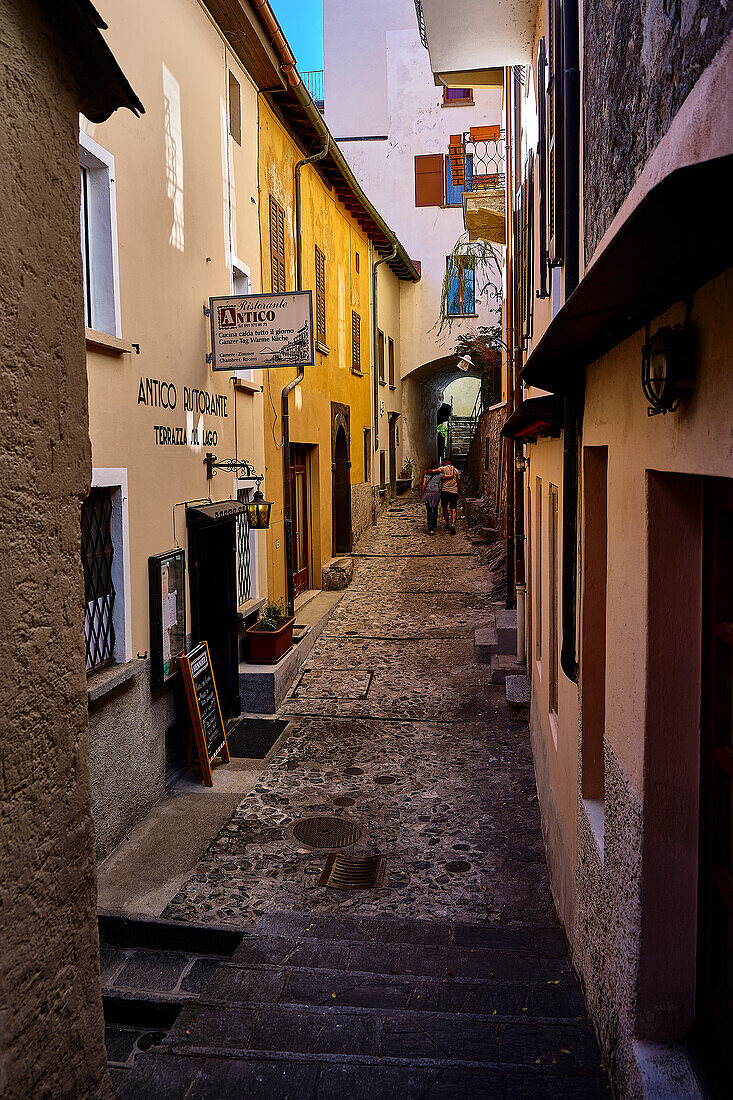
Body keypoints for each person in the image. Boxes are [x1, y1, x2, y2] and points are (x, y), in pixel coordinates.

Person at [425, 460, 460, 534]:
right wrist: (458, 491)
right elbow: (457, 481)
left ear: (444, 463)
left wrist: (427, 472)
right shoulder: (455, 470)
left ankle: (446, 523)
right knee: (453, 509)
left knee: (444, 507)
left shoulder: (441, 470)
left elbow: (424, 484)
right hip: (453, 491)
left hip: (443, 491)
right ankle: (453, 524)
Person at [421, 464, 443, 535]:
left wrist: (422, 494)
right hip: (436, 494)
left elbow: (424, 484)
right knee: (435, 509)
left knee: (429, 510)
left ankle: (430, 528)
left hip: (428, 494)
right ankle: (434, 523)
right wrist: (452, 470)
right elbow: (450, 476)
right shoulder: (440, 475)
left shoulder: (426, 475)